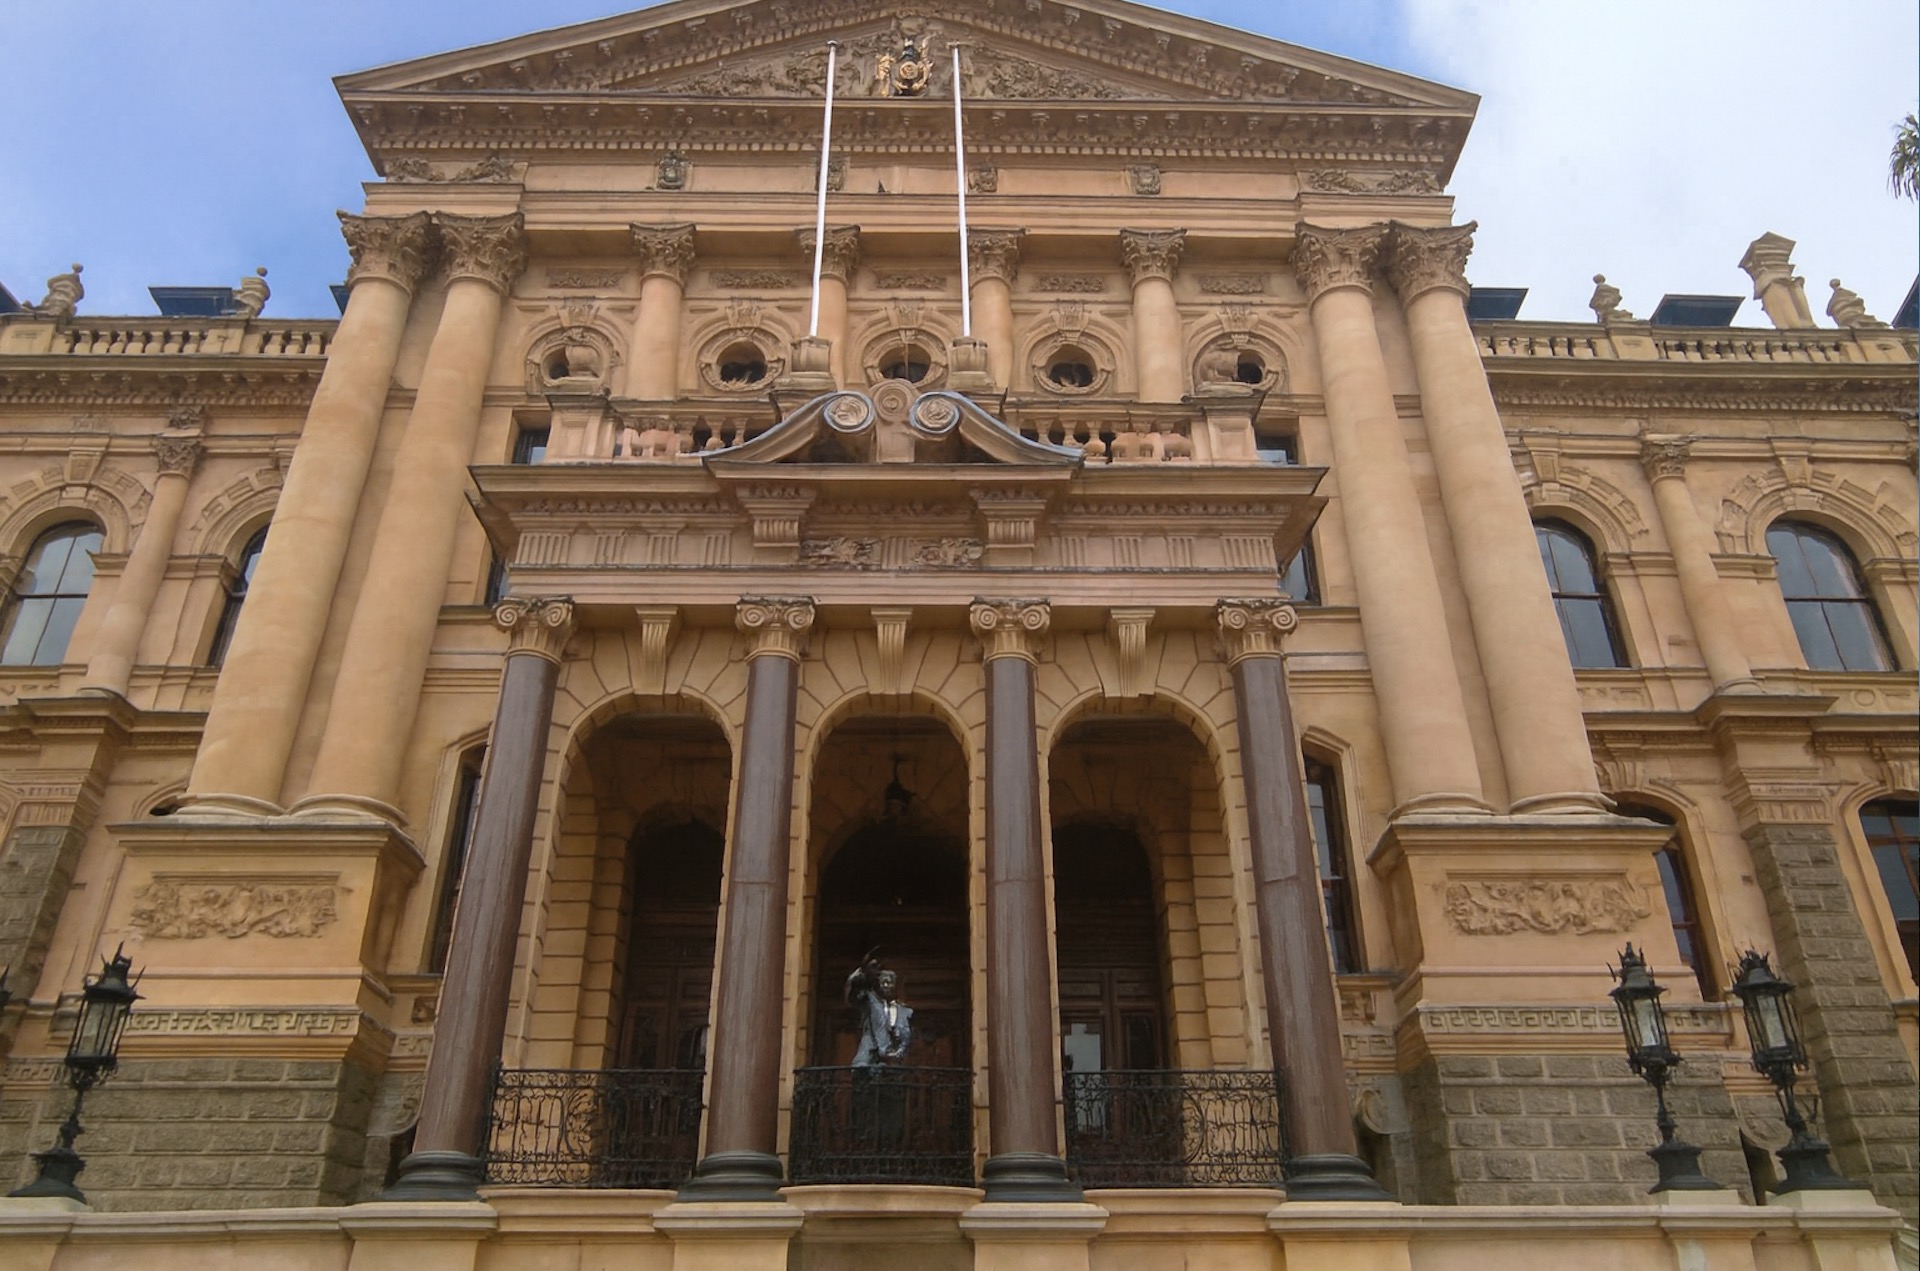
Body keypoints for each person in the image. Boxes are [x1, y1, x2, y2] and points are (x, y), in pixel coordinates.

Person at [846, 951, 912, 1066]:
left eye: (889, 983)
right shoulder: (869, 1000)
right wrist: (860, 973)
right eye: (883, 982)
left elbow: (906, 1035)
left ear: (896, 986)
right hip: (869, 1054)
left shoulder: (905, 1011)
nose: (885, 986)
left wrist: (899, 1052)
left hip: (893, 1061)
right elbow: (853, 996)